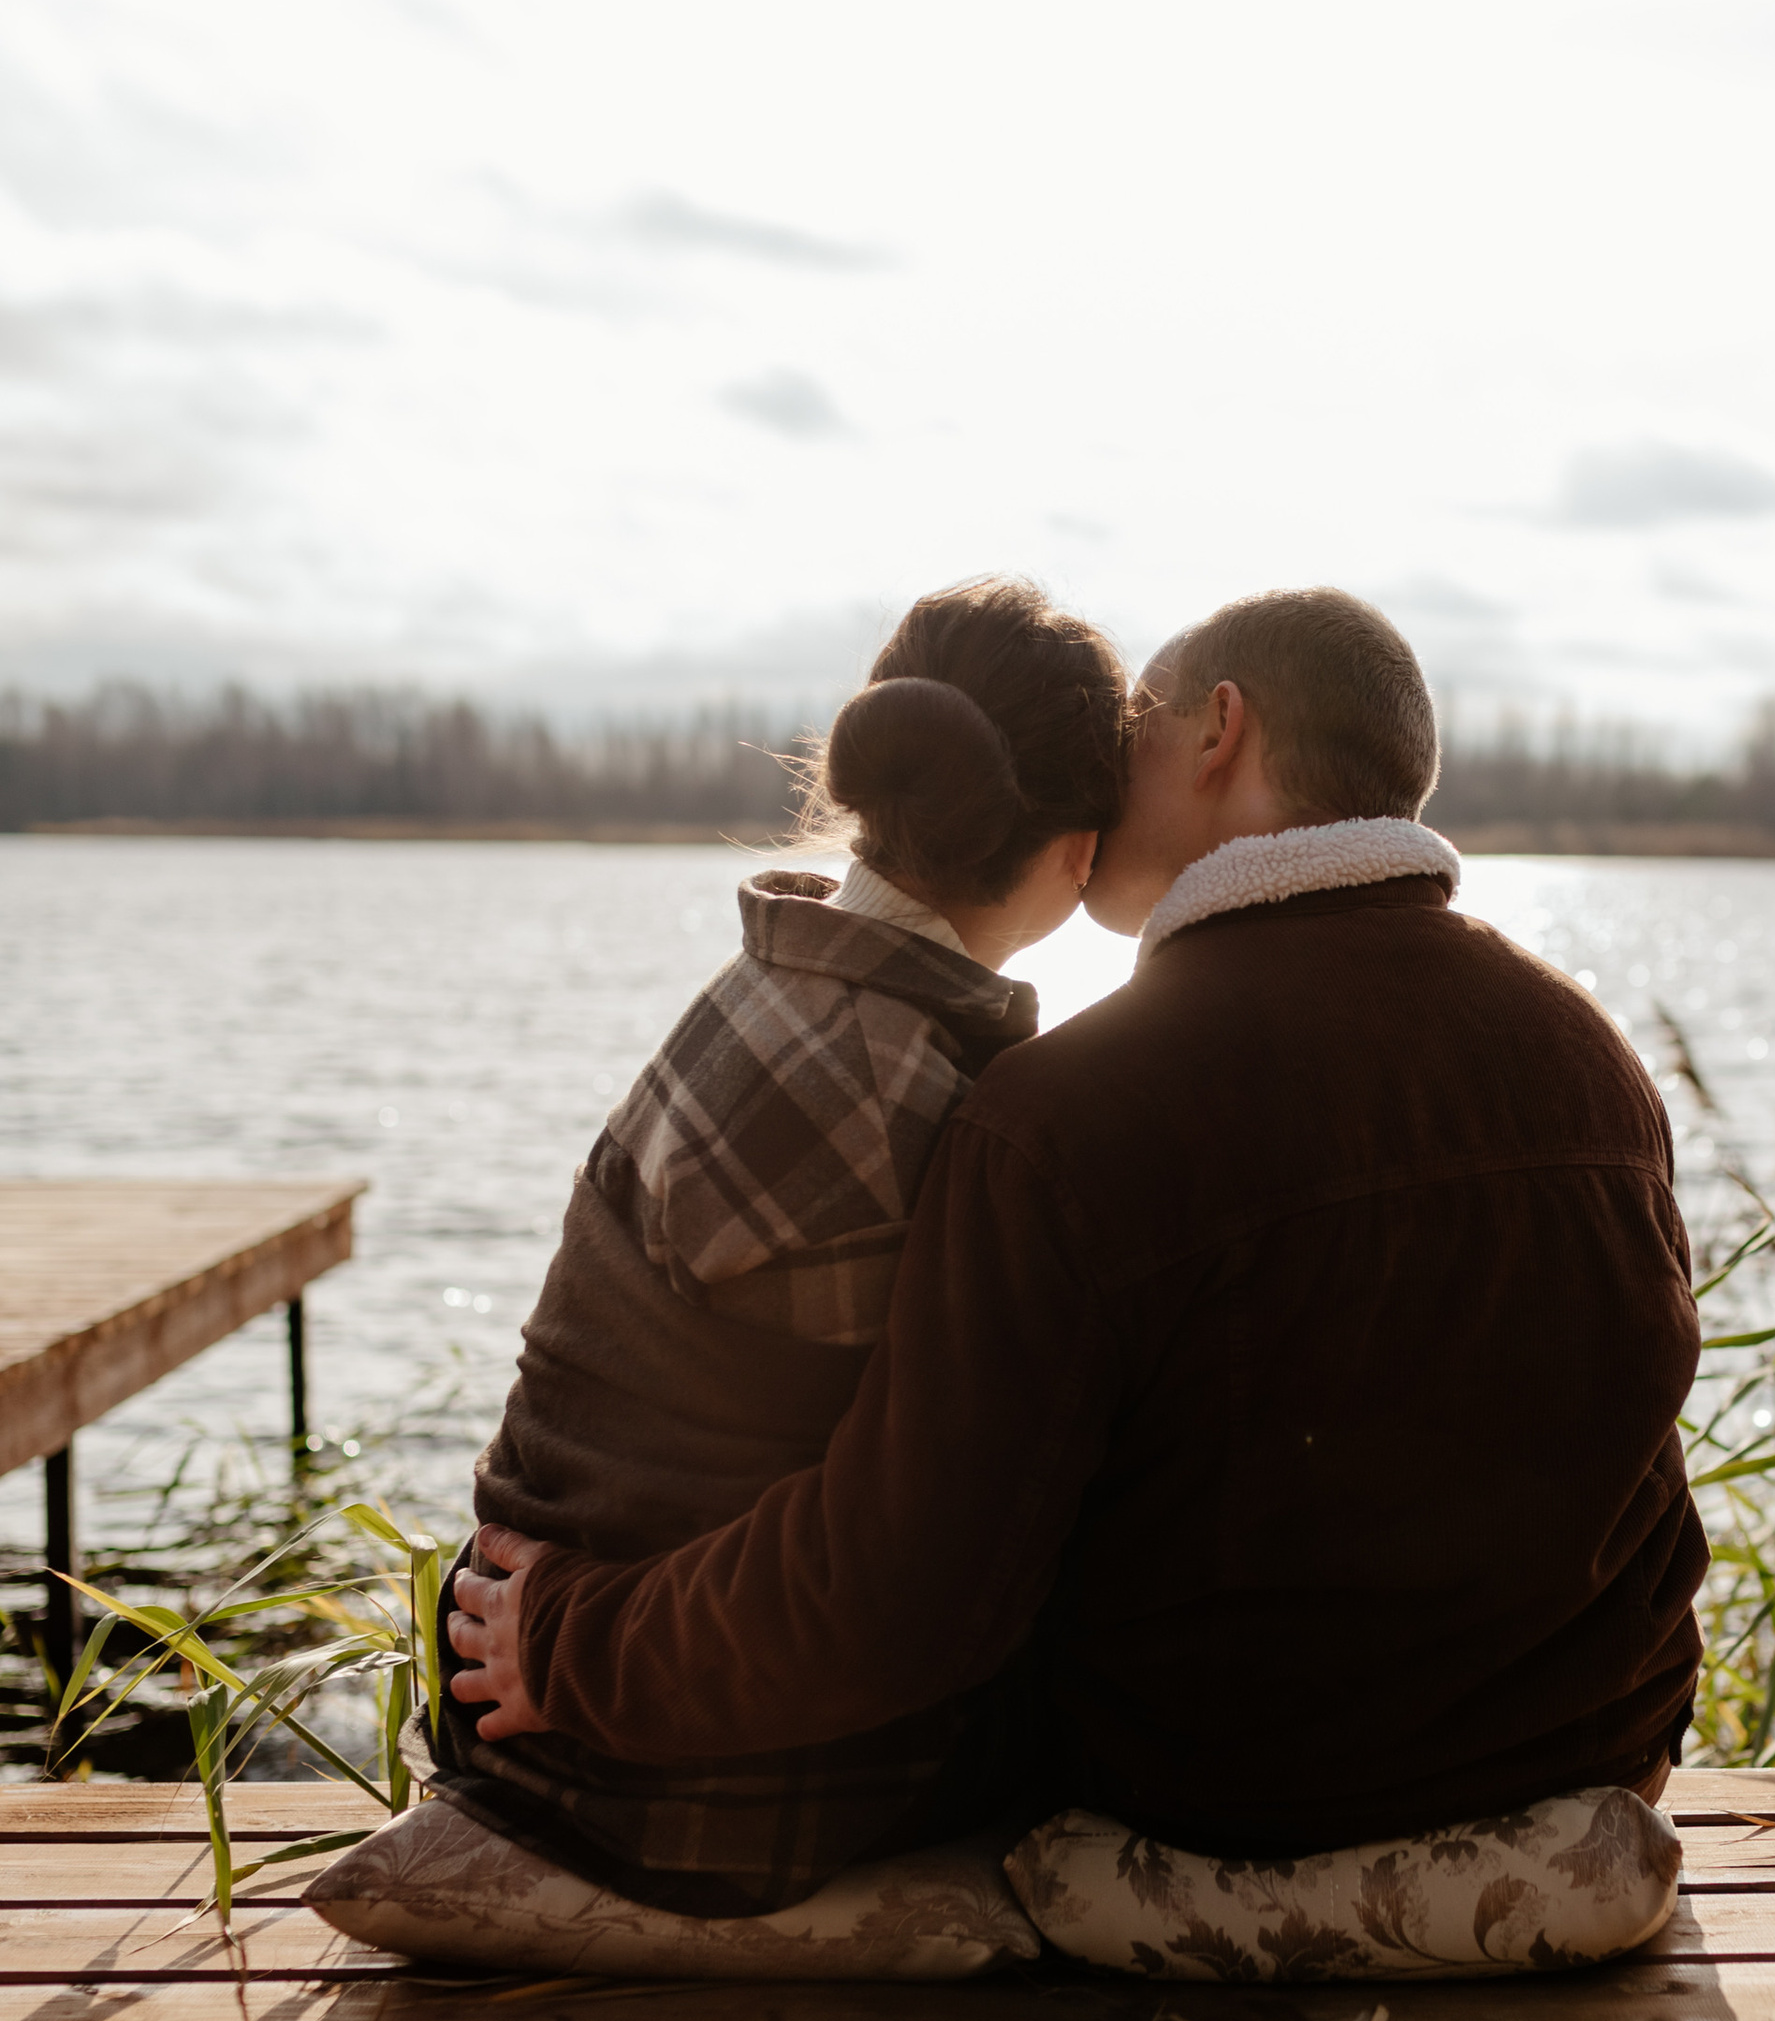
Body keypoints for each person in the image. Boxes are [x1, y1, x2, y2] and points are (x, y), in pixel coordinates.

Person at [451, 585, 1706, 1859]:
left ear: (1219, 731)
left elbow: (904, 1590)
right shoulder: (1590, 1056)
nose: (1108, 774)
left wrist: (574, 1639)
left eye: (1137, 725)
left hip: (1237, 1807)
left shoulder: (1064, 1113)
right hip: (1591, 1754)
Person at [424, 575, 1126, 1909]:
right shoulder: (929, 1101)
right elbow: (913, 1564)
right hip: (697, 1790)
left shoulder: (761, 989)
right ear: (1078, 852)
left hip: (519, 1719)